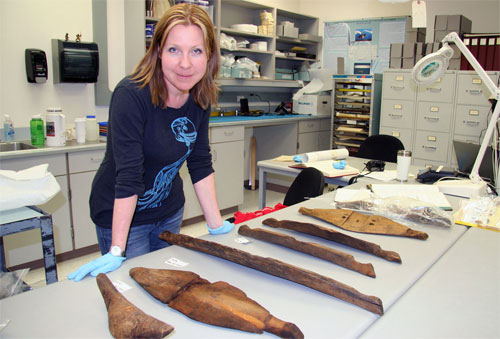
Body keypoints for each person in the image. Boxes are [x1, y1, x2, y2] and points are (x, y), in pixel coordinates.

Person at [68, 3, 234, 282]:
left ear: (209, 56)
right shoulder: (131, 95)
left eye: (196, 51)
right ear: (157, 52)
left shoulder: (200, 96)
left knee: (168, 284)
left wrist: (215, 225)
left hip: (169, 211)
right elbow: (129, 176)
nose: (185, 63)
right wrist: (117, 249)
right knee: (135, 292)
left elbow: (200, 162)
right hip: (124, 217)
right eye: (174, 50)